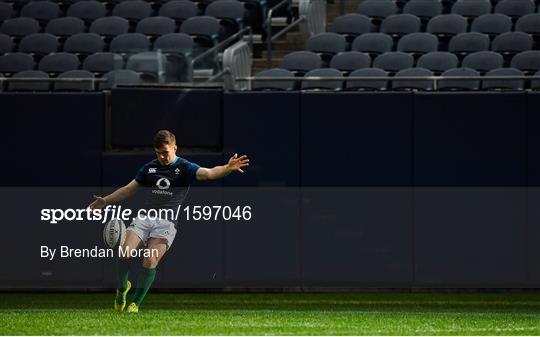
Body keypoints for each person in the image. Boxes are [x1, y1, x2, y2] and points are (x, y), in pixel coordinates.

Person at [88, 129, 249, 313]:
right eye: (158, 153)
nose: (162, 156)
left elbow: (210, 173)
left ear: (175, 148)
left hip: (166, 224)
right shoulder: (149, 168)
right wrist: (105, 201)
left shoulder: (186, 168)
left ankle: (135, 304)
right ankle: (122, 288)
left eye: (165, 152)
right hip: (144, 219)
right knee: (124, 253)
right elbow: (128, 190)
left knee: (149, 259)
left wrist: (227, 168)